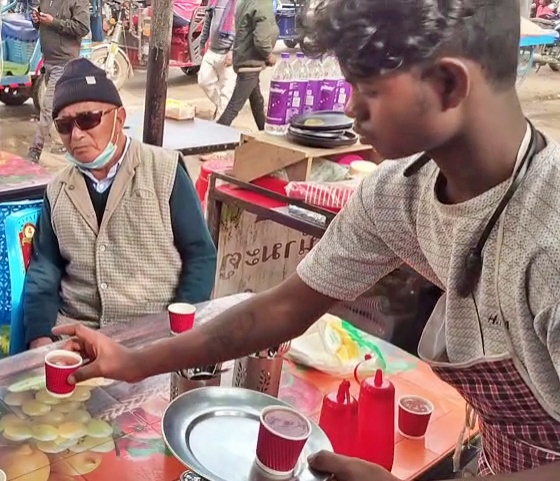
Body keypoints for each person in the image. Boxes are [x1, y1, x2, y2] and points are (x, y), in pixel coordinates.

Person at [53, 0, 560, 479]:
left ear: (448, 84)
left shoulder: (548, 235)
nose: (351, 107)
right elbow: (283, 307)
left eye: (368, 89)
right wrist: (133, 362)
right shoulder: (399, 193)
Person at [24, 59, 217, 350]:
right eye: (64, 125)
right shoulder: (57, 189)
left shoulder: (163, 170)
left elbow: (200, 255)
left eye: (88, 119)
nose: (76, 135)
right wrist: (40, 338)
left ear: (119, 117)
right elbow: (45, 268)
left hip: (153, 338)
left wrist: (177, 332)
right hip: (75, 338)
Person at [27, 0, 90, 163]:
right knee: (62, 107)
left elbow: (83, 28)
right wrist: (36, 20)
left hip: (64, 62)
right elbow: (40, 25)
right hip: (48, 60)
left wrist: (53, 22)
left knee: (48, 107)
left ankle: (35, 149)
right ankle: (76, 142)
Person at [216, 0, 277, 129]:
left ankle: (264, 131)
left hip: (244, 59)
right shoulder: (262, 5)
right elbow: (261, 40)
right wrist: (268, 56)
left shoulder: (246, 2)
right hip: (250, 64)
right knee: (233, 107)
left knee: (257, 101)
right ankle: (213, 136)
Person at [197, 0, 237, 119]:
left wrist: (233, 51)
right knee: (204, 81)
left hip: (228, 52)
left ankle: (220, 123)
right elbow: (208, 21)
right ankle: (222, 106)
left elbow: (243, 29)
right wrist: (202, 43)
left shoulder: (241, 3)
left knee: (227, 92)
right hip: (212, 49)